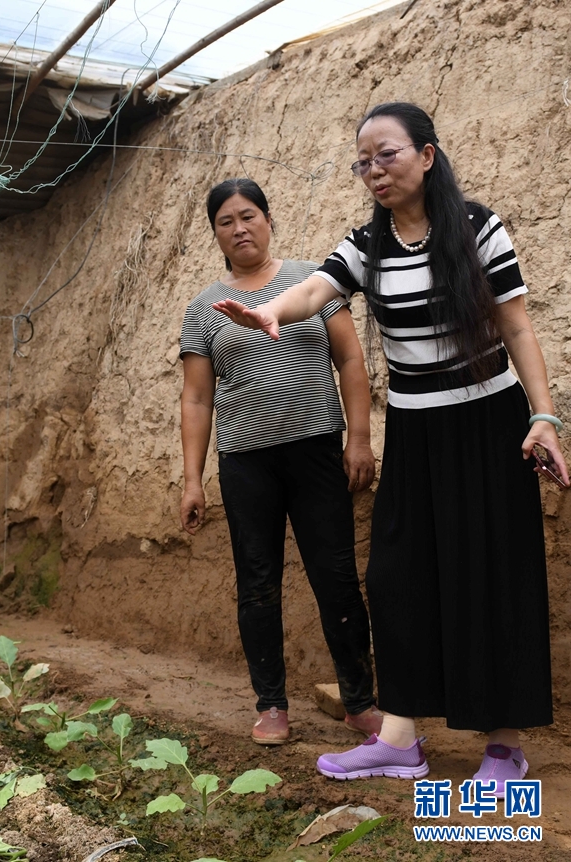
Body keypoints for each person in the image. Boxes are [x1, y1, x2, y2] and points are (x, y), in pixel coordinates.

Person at [212, 104, 569, 791]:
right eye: (363, 162)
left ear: (427, 156)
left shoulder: (478, 227)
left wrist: (544, 416)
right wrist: (271, 311)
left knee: (492, 574)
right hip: (415, 433)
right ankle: (400, 740)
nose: (374, 170)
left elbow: (518, 329)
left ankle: (504, 746)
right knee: (397, 580)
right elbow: (316, 289)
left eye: (387, 155)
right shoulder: (365, 245)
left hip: (487, 425)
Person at [179, 178, 383, 745]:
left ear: (269, 220)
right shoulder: (203, 308)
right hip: (246, 464)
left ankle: (360, 702)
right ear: (216, 234)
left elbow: (350, 360)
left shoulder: (313, 282)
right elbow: (196, 398)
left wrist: (359, 440)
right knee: (257, 583)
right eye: (226, 221)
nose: (239, 228)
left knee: (337, 578)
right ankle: (271, 705)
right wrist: (192, 480)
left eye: (248, 216)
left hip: (317, 453)